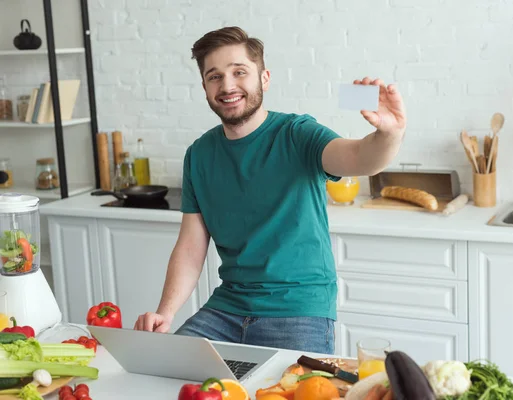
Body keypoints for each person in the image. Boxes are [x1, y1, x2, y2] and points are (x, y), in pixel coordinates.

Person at [134, 26, 406, 354]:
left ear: (264, 78)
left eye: (239, 72)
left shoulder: (297, 133)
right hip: (226, 309)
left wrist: (390, 133)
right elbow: (191, 247)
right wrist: (165, 313)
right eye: (214, 76)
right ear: (204, 86)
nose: (228, 86)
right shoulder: (199, 154)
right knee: (163, 369)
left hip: (298, 310)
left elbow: (358, 158)